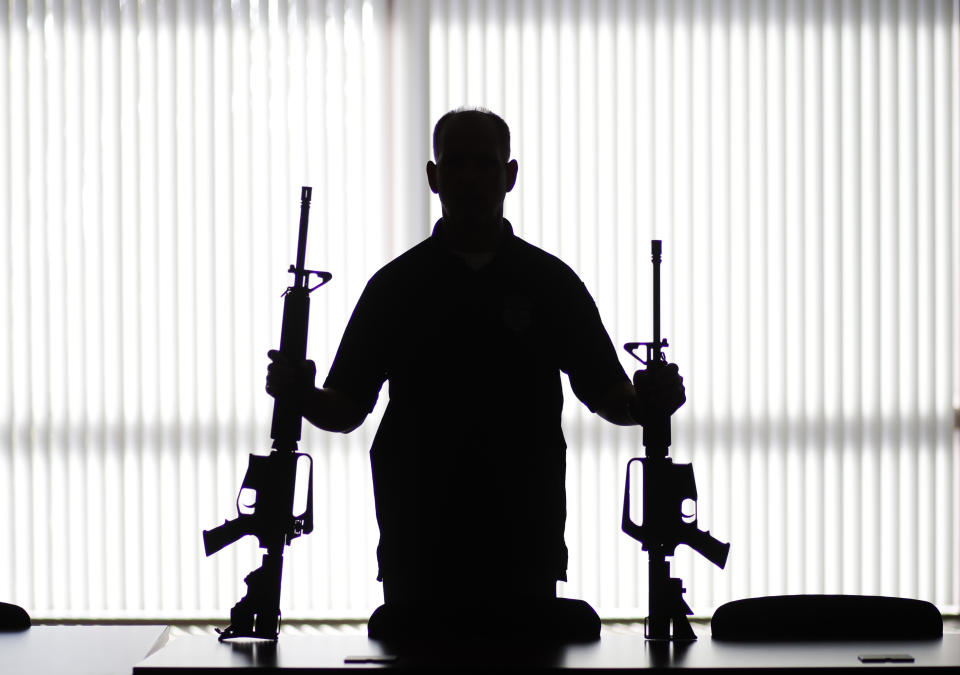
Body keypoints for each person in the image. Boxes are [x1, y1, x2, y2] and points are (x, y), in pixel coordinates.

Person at [266, 107, 685, 641]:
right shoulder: (396, 286)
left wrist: (649, 402)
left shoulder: (549, 282)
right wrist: (299, 394)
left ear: (509, 175)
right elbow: (345, 409)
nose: (468, 177)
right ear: (432, 175)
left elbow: (609, 395)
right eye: (455, 163)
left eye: (483, 164)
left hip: (522, 539)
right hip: (419, 539)